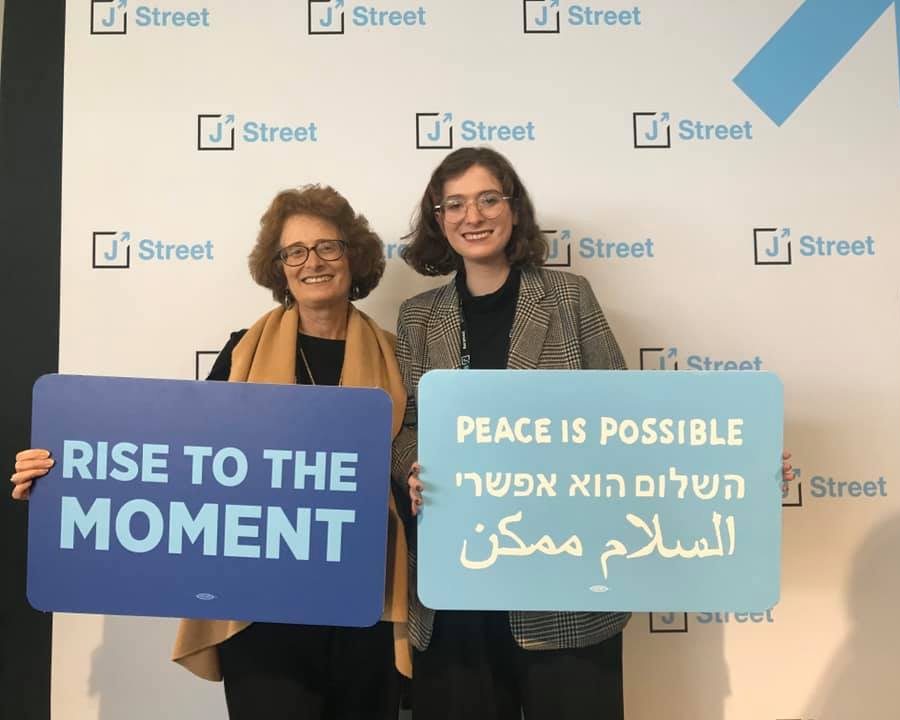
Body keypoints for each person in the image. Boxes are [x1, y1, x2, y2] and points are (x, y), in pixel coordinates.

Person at [391, 146, 796, 720]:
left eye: (488, 198)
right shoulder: (416, 316)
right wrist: (411, 467)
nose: (472, 216)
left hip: (569, 590)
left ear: (513, 209)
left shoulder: (567, 296)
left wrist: (736, 465)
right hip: (460, 594)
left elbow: (626, 420)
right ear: (438, 219)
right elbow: (405, 428)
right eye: (453, 204)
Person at [11, 184, 410, 719]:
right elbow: (185, 467)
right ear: (279, 267)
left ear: (354, 256)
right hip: (261, 610)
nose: (311, 262)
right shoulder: (240, 351)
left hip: (366, 604)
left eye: (327, 247)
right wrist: (63, 474)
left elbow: (414, 468)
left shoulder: (399, 353)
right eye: (295, 251)